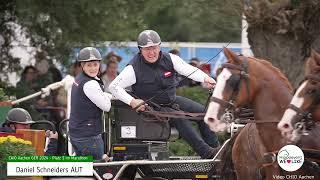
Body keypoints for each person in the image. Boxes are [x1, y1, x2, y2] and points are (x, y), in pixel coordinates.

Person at [109, 30, 220, 159]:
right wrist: (132, 101)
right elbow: (113, 87)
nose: (151, 52)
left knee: (203, 113)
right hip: (151, 107)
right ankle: (206, 152)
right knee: (179, 117)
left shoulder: (170, 59)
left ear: (159, 46)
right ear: (140, 50)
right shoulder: (133, 68)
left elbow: (187, 69)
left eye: (154, 48)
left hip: (171, 101)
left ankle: (216, 151)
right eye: (147, 49)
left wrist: (206, 78)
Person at [69, 47, 112, 160]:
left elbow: (94, 97)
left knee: (83, 171)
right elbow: (106, 107)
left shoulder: (79, 79)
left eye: (95, 64)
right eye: (89, 65)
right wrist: (110, 98)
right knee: (96, 171)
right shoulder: (90, 84)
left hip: (77, 133)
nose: (93, 68)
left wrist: (107, 96)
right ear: (82, 65)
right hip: (89, 136)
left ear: (99, 64)